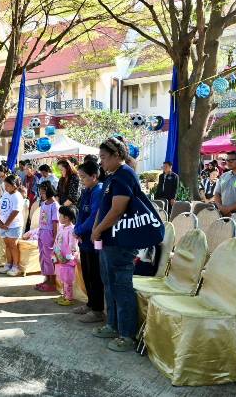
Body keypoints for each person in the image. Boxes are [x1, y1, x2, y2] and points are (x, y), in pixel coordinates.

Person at [90, 137, 140, 352]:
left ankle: (127, 335)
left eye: (103, 157)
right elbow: (104, 207)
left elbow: (118, 210)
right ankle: (112, 325)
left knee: (121, 287)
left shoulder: (124, 174)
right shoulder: (112, 176)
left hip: (121, 242)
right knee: (109, 284)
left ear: (117, 156)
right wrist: (96, 228)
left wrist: (98, 229)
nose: (101, 162)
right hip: (108, 240)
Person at [72, 161, 106, 322]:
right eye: (80, 177)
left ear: (94, 176)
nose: (81, 180)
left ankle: (98, 310)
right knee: (86, 273)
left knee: (95, 275)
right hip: (83, 239)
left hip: (93, 240)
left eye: (83, 177)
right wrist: (76, 229)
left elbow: (94, 217)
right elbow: (80, 214)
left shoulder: (99, 191)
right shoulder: (87, 190)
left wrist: (79, 230)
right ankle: (90, 303)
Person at [0, 175, 24, 276]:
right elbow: (0, 207)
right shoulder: (5, 194)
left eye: (8, 185)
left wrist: (7, 224)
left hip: (14, 225)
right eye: (5, 185)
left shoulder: (17, 196)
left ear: (15, 185)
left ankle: (15, 267)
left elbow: (15, 211)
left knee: (13, 246)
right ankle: (8, 264)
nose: (6, 187)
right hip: (3, 225)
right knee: (7, 245)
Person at [35, 181, 59, 292]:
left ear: (49, 191)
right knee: (43, 257)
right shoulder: (44, 203)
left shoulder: (55, 205)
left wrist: (55, 237)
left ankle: (52, 282)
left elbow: (55, 222)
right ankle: (46, 279)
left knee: (50, 258)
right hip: (42, 232)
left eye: (43, 192)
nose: (41, 194)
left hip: (49, 233)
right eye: (40, 192)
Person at [53, 205, 79, 306]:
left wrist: (69, 257)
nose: (59, 217)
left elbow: (73, 246)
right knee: (63, 278)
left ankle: (69, 298)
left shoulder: (72, 230)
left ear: (67, 218)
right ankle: (65, 295)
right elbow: (57, 241)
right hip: (60, 258)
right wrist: (55, 253)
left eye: (60, 215)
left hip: (67, 260)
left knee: (68, 280)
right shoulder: (62, 227)